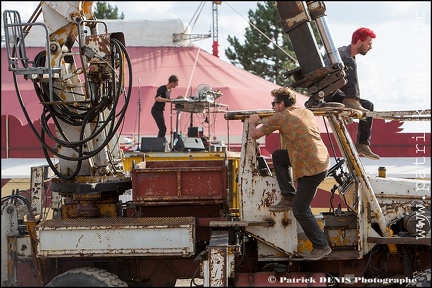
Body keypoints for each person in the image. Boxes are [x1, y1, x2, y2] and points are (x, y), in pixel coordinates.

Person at [248, 87, 331, 261]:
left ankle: (321, 246)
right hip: (318, 160)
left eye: (274, 104)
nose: (272, 107)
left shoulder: (281, 117)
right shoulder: (305, 112)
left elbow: (255, 134)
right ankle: (288, 194)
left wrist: (252, 121)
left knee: (300, 209)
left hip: (311, 168)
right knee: (278, 155)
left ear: (282, 104)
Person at [326, 27, 380, 160]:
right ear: (360, 42)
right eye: (369, 44)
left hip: (338, 94)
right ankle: (352, 100)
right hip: (327, 94)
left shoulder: (350, 57)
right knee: (350, 63)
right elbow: (325, 72)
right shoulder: (340, 54)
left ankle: (362, 144)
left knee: (368, 106)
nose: (370, 47)